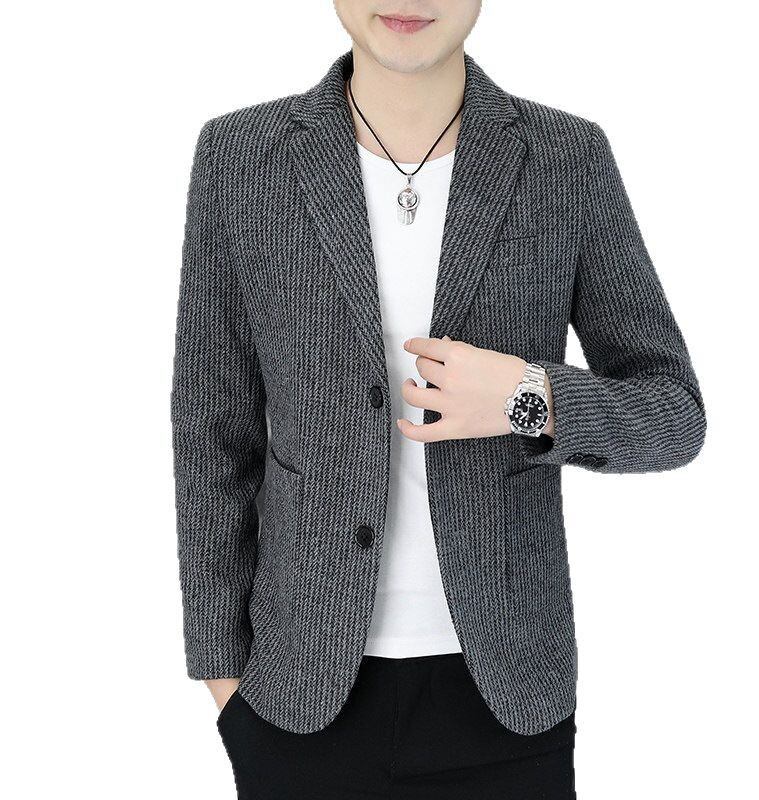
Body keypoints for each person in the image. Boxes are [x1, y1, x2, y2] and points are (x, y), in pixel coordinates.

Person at [170, 2, 706, 798]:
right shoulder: (241, 156)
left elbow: (673, 413)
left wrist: (526, 397)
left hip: (505, 700)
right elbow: (211, 428)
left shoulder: (566, 159)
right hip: (296, 696)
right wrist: (223, 679)